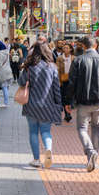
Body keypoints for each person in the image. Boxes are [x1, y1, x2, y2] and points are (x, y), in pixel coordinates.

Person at [66, 37, 99, 172]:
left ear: (83, 46)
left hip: (83, 100)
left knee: (82, 128)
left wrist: (68, 101)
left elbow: (72, 83)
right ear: (95, 46)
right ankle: (93, 155)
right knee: (95, 128)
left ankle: (90, 152)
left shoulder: (78, 60)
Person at [18, 39, 62, 168]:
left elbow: (21, 82)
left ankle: (36, 159)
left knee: (33, 132)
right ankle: (48, 150)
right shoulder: (52, 67)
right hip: (47, 105)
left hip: (31, 104)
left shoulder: (29, 67)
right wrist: (58, 103)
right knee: (46, 131)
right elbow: (56, 88)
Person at [57, 43, 75, 122]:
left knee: (70, 97)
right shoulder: (60, 58)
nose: (65, 49)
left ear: (71, 49)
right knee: (64, 97)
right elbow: (57, 70)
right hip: (63, 80)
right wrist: (58, 81)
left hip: (72, 80)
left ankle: (69, 112)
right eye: (64, 48)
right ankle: (67, 114)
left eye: (67, 48)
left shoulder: (74, 58)